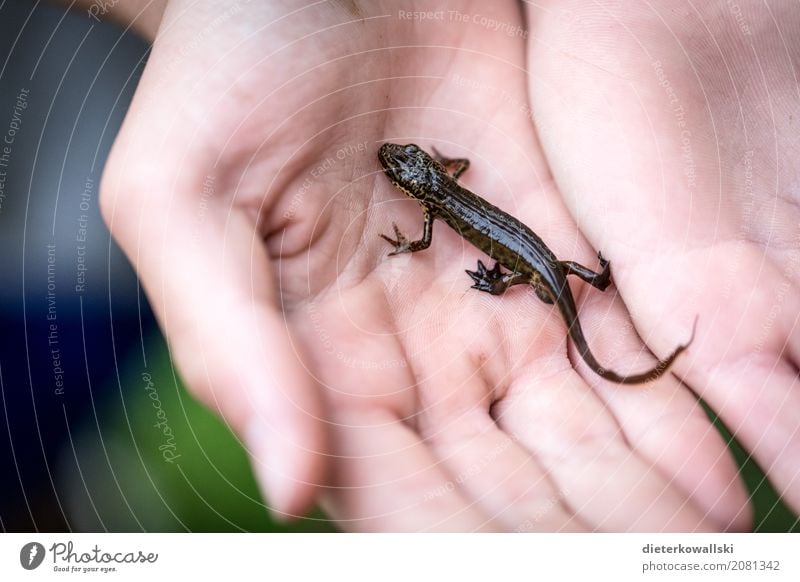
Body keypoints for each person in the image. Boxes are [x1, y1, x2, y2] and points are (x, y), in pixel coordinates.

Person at [76, 0, 798, 530]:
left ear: (417, 183)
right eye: (404, 165)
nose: (397, 164)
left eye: (402, 165)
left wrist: (484, 272)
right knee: (565, 272)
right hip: (547, 260)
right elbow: (453, 184)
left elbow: (423, 243)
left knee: (545, 280)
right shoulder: (443, 191)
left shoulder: (434, 210)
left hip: (532, 265)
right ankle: (594, 281)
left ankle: (573, 302)